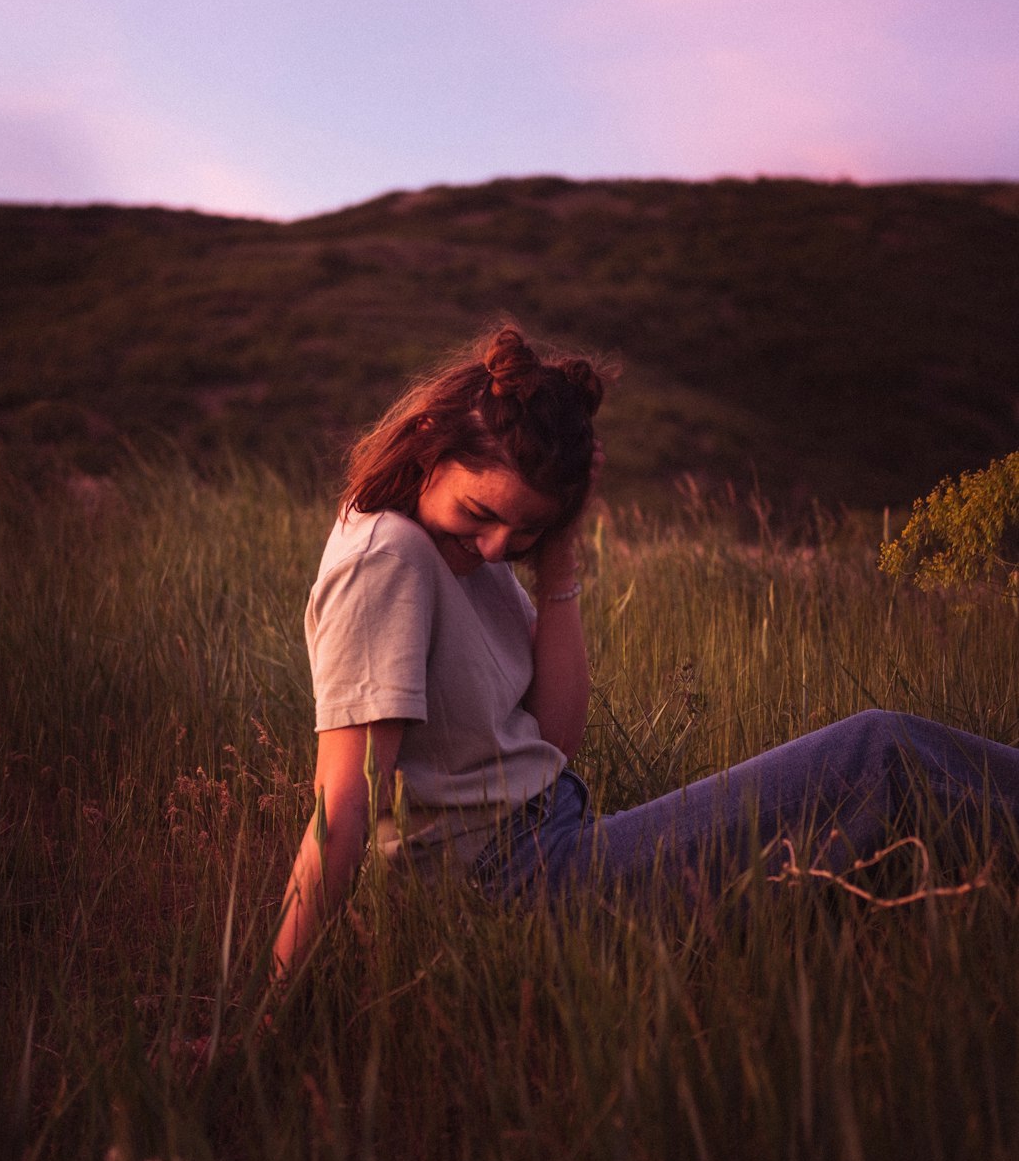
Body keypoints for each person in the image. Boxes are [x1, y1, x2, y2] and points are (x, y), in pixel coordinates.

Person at [272, 325, 1019, 979]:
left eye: (524, 528)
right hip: (512, 891)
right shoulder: (389, 557)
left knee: (884, 799)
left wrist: (556, 557)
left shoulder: (467, 554)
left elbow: (554, 740)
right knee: (876, 754)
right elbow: (342, 806)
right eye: (480, 513)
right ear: (431, 444)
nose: (497, 545)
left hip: (551, 845)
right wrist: (260, 1020)